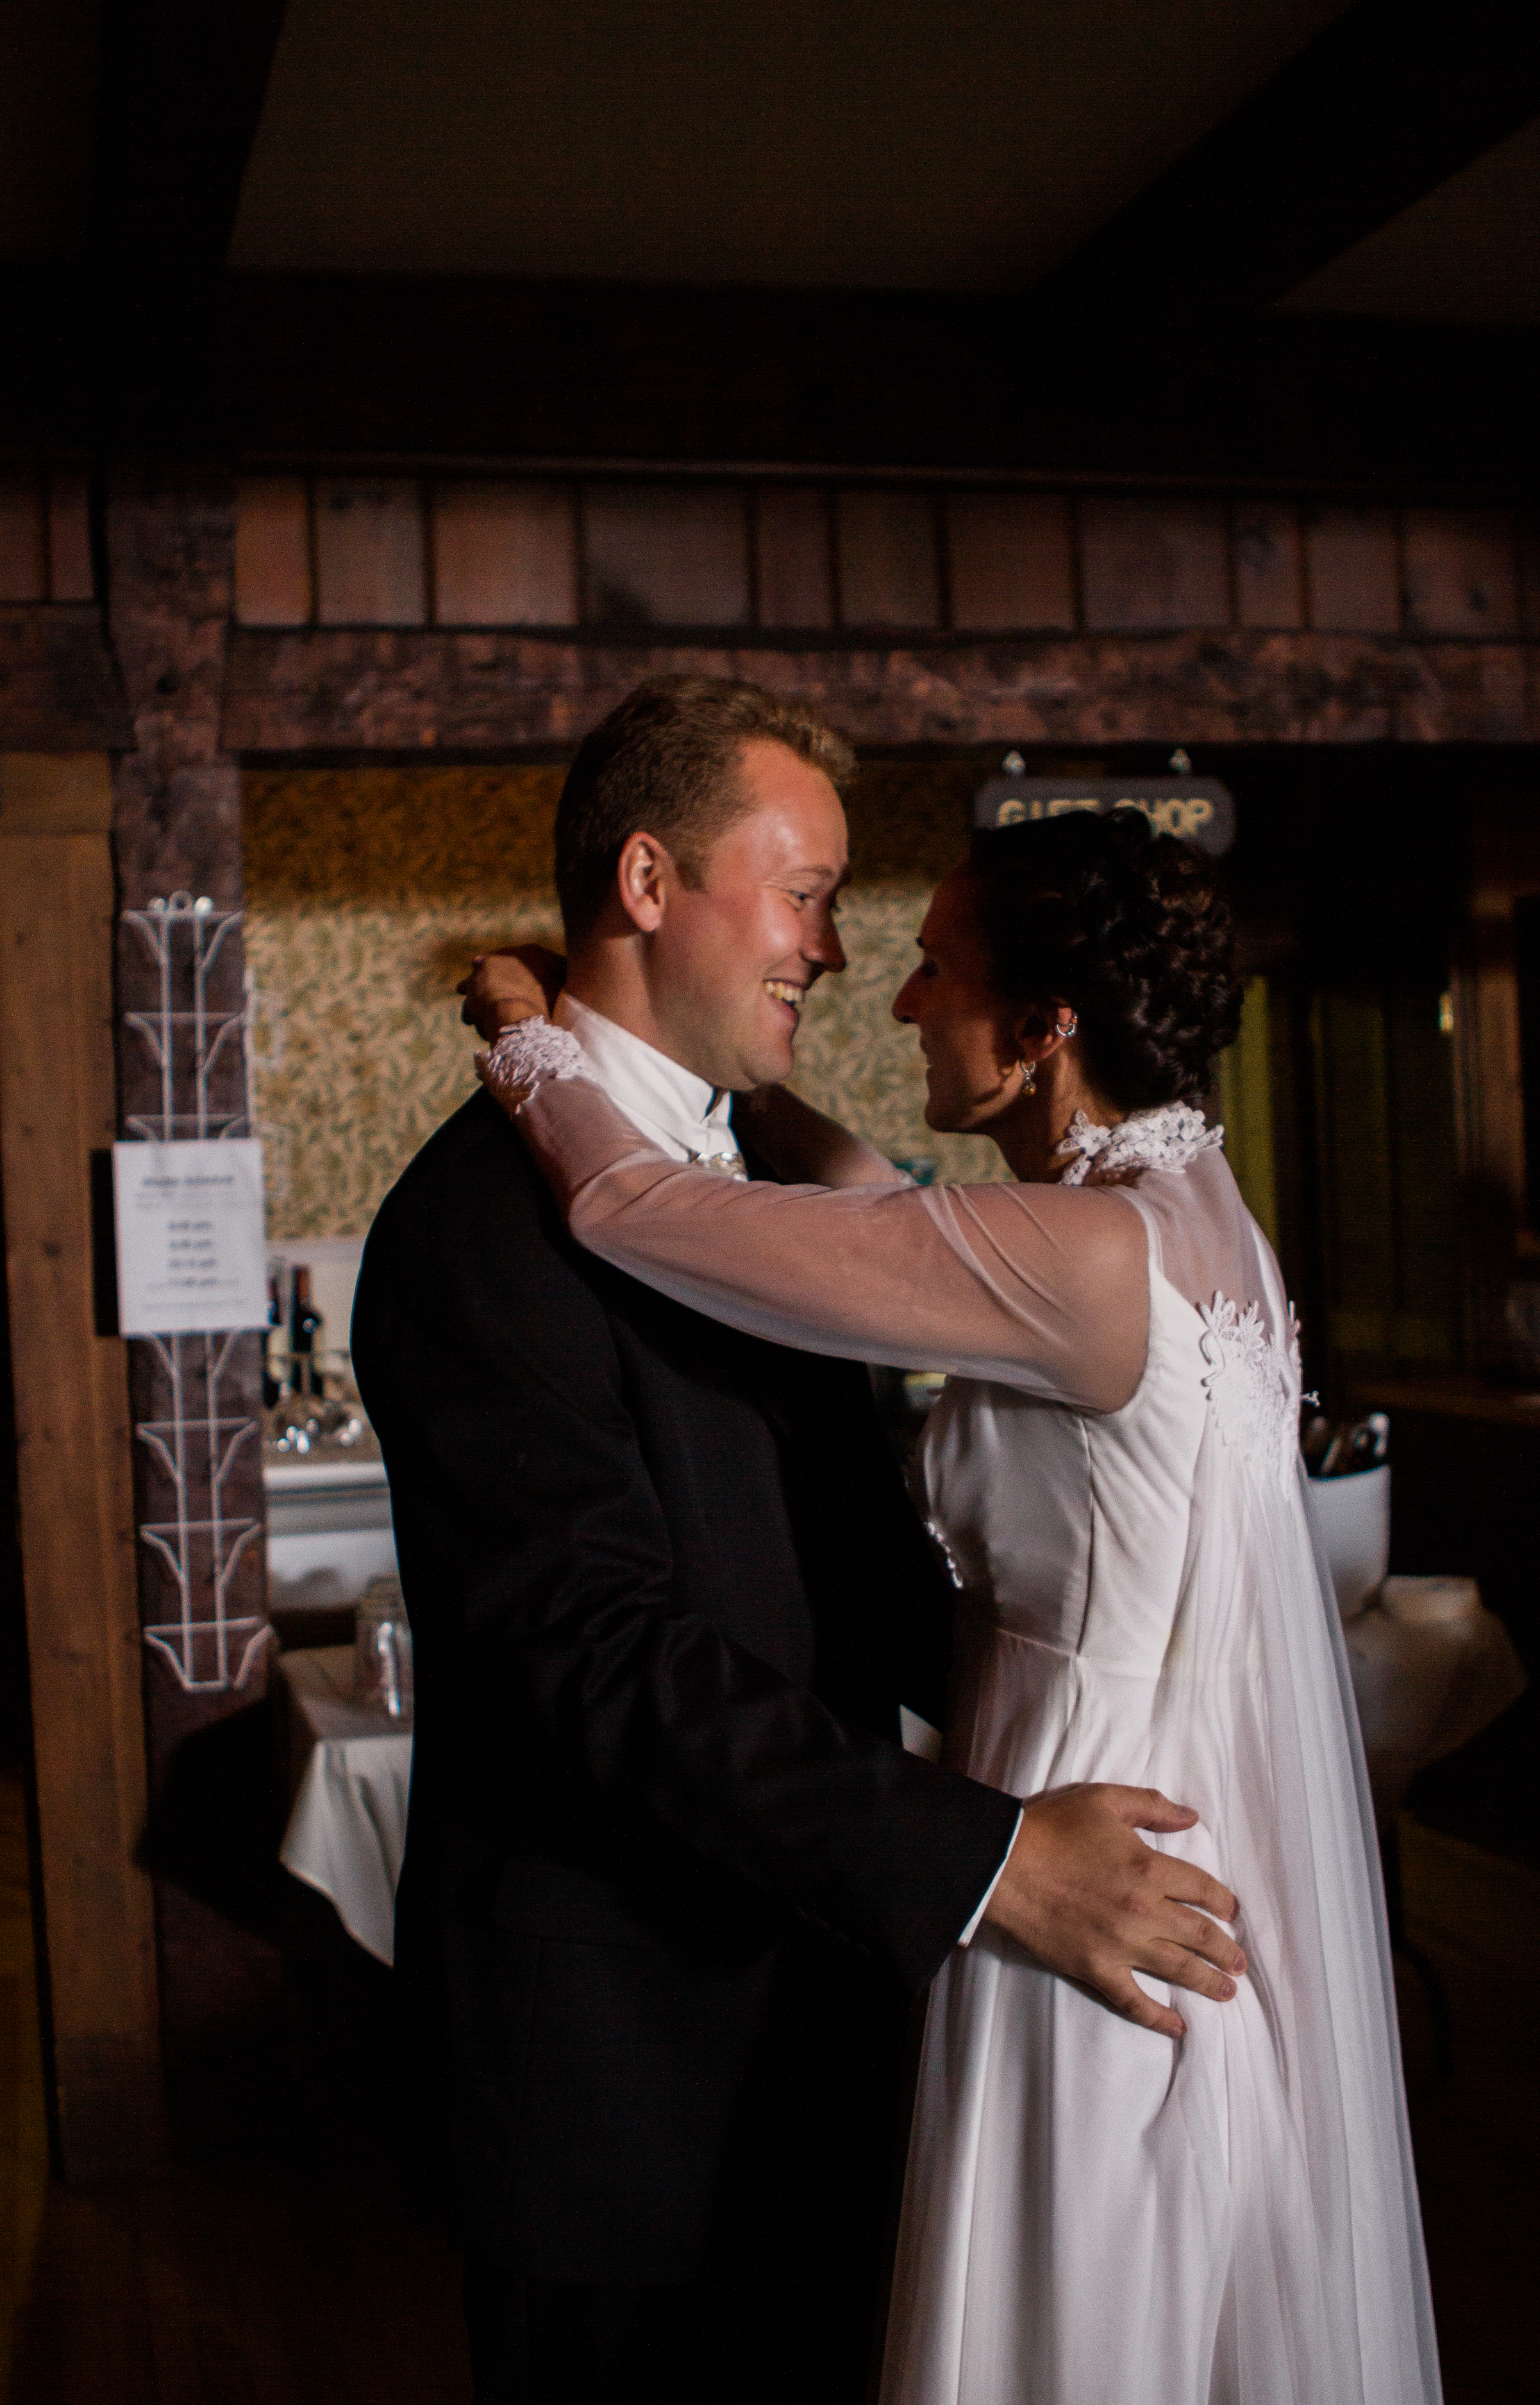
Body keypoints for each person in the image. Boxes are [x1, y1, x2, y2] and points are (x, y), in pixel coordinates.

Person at [466, 792, 1443, 2405]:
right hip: (1159, 1807)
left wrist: (523, 1031)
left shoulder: (1084, 1260)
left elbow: (630, 1213)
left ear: (1040, 1029)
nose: (901, 996)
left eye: (935, 968)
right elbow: (886, 1221)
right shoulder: (1186, 1220)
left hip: (1079, 1852)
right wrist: (752, 1092)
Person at [353, 677, 1244, 2405]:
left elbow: (853, 1568)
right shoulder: (477, 1227)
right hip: (622, 2092)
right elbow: (602, 1661)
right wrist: (989, 1857)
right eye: (808, 890)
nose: (832, 953)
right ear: (646, 881)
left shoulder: (753, 1178)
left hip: (829, 2021)